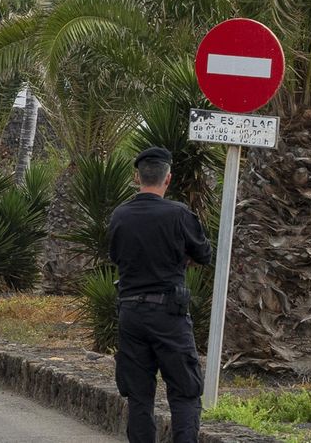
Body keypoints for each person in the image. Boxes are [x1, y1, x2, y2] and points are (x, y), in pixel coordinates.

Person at [109, 146, 212, 443]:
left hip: (130, 314)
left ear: (136, 177)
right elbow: (204, 254)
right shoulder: (179, 214)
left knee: (139, 395)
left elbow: (116, 255)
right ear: (168, 179)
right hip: (169, 315)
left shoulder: (120, 215)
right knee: (185, 390)